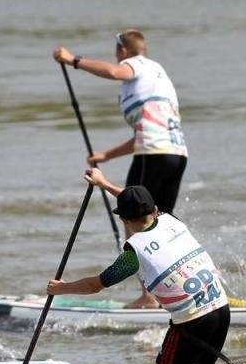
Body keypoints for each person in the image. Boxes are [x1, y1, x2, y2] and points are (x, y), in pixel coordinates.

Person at [47, 169, 230, 364]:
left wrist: (61, 288)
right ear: (154, 210)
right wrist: (104, 184)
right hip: (220, 309)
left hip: (191, 322)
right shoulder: (171, 221)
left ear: (124, 221)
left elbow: (97, 284)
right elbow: (134, 202)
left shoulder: (135, 252)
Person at [52, 29, 188, 308]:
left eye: (118, 55)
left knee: (135, 219)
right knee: (160, 223)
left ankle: (149, 297)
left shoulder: (136, 64)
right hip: (176, 155)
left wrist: (72, 60)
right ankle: (176, 286)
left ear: (123, 51)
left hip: (153, 154)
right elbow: (143, 135)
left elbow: (115, 73)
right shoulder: (157, 76)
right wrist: (105, 155)